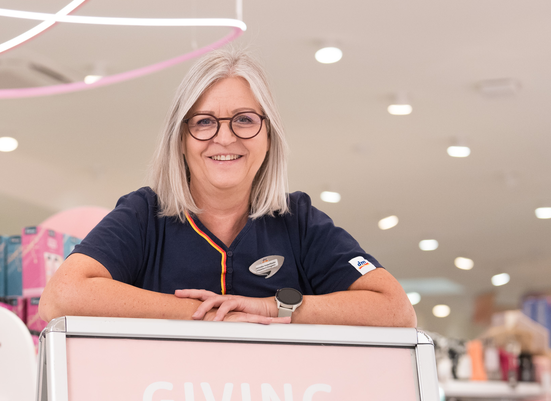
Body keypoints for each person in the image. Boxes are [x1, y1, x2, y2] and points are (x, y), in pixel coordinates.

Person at [38, 49, 416, 328]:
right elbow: (61, 297)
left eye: (244, 120)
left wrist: (273, 307)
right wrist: (207, 314)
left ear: (269, 135)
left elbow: (396, 309)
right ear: (181, 139)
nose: (224, 138)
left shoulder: (298, 222)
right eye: (204, 122)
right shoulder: (144, 215)